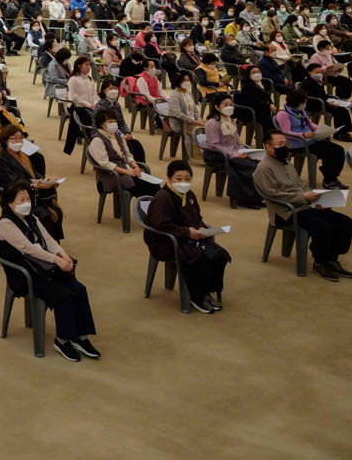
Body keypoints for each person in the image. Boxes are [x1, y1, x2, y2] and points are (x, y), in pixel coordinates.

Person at [0, 181, 100, 362]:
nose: (27, 202)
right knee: (64, 295)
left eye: (27, 198)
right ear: (10, 203)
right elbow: (28, 249)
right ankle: (62, 340)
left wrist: (64, 256)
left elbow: (48, 240)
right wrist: (57, 261)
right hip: (25, 274)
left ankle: (81, 337)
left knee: (79, 290)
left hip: (43, 267)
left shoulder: (30, 218)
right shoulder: (6, 224)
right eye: (21, 200)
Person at [254, 129, 352, 281]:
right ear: (268, 147)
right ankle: (320, 262)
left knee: (345, 223)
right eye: (280, 144)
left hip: (305, 204)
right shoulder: (263, 168)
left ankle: (331, 259)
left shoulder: (286, 161)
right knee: (323, 227)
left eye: (286, 143)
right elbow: (273, 195)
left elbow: (301, 184)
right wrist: (304, 197)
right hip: (286, 211)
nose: (285, 147)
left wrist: (316, 199)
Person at [145, 160, 231, 313]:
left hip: (189, 238)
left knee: (219, 255)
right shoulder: (163, 197)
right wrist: (187, 232)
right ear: (169, 178)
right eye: (178, 179)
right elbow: (161, 226)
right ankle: (196, 297)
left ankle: (207, 291)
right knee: (199, 257)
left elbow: (197, 217)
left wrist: (202, 228)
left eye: (187, 178)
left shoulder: (189, 195)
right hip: (166, 242)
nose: (183, 182)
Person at [0, 123, 66, 240]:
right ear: (5, 140)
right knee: (44, 214)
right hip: (17, 197)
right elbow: (13, 182)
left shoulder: (23, 156)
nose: (18, 141)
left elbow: (34, 173)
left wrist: (46, 181)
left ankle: (54, 245)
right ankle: (46, 247)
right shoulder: (0, 160)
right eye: (14, 138)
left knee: (56, 211)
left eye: (20, 138)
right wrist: (33, 185)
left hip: (32, 193)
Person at [273, 88, 346, 190]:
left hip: (311, 140)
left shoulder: (300, 111)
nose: (305, 103)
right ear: (297, 102)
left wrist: (321, 130)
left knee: (339, 150)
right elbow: (286, 133)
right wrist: (303, 135)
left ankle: (331, 177)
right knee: (329, 153)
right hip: (298, 144)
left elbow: (309, 124)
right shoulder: (283, 114)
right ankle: (329, 179)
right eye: (304, 101)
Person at [200, 94, 263, 208]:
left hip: (234, 154)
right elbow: (215, 145)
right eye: (225, 105)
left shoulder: (231, 121)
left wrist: (245, 151)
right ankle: (244, 199)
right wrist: (234, 154)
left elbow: (238, 143)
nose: (229, 107)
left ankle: (254, 197)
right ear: (217, 107)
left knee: (258, 164)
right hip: (217, 156)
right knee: (249, 167)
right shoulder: (212, 123)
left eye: (230, 105)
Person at [87, 107, 151, 199]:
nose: (114, 124)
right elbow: (105, 164)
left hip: (125, 171)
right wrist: (127, 172)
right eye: (110, 122)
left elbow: (127, 155)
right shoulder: (97, 140)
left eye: (115, 121)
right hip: (109, 176)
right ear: (101, 124)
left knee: (152, 185)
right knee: (145, 187)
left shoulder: (118, 137)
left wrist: (135, 167)